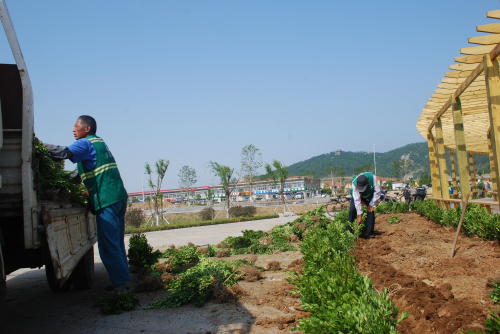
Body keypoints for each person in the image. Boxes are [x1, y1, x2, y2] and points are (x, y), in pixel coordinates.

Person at [43, 116, 131, 292]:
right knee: (117, 243)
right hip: (118, 198)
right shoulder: (100, 144)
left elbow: (62, 152)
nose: (74, 129)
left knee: (107, 247)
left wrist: (38, 146)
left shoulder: (85, 144)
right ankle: (123, 281)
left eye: (76, 126)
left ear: (87, 129)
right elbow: (78, 176)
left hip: (107, 200)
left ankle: (122, 288)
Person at [347, 172, 381, 239]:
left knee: (370, 211)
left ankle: (370, 234)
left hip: (369, 195)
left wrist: (372, 204)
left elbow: (377, 192)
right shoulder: (354, 182)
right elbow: (357, 200)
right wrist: (360, 215)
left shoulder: (372, 178)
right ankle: (349, 232)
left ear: (367, 183)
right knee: (352, 210)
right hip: (358, 196)